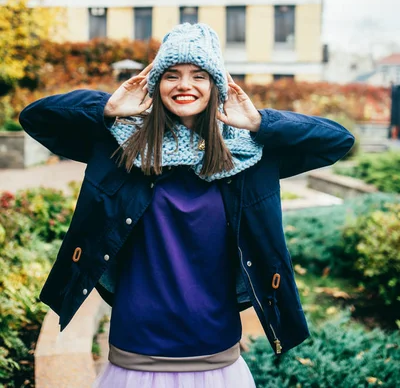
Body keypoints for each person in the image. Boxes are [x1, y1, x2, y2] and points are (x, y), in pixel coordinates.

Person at [19, 23, 355, 388]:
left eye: (199, 75)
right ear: (155, 83)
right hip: (136, 350)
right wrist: (109, 106)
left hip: (216, 352)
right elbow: (37, 118)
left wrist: (261, 122)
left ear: (216, 86)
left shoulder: (249, 155)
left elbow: (336, 141)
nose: (184, 85)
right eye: (172, 74)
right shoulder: (123, 146)